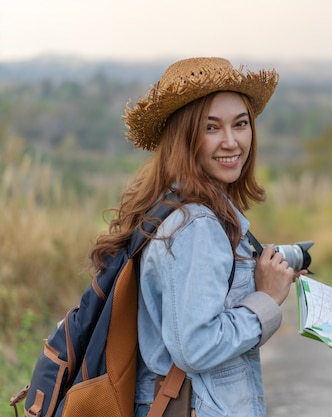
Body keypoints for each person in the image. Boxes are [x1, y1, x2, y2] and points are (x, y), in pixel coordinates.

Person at [89, 57, 300, 417]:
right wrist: (266, 299)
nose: (231, 142)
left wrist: (260, 275)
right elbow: (196, 346)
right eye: (211, 127)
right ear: (183, 136)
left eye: (241, 124)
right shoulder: (196, 224)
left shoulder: (168, 206)